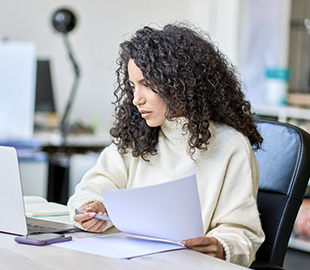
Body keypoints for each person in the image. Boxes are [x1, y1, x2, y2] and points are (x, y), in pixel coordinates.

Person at [67, 23, 265, 267]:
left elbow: (242, 233)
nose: (136, 99)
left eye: (147, 84)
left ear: (182, 83)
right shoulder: (138, 135)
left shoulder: (231, 146)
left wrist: (222, 247)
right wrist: (92, 207)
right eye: (132, 86)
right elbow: (92, 187)